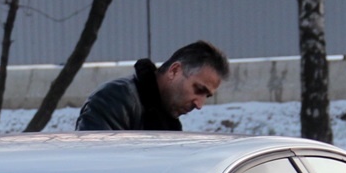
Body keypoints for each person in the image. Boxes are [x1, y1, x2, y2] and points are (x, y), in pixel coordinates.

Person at [75, 40, 230, 131]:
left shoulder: (166, 120)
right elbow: (97, 171)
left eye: (206, 96)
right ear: (174, 71)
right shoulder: (114, 100)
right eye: (198, 90)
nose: (199, 104)